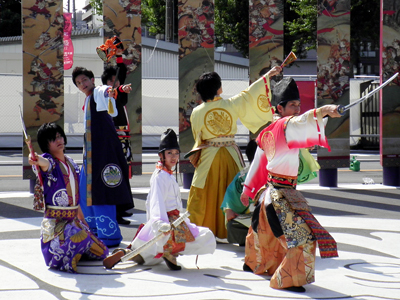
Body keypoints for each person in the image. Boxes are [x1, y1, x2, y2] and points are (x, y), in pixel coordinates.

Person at [241, 77, 340, 293]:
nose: (297, 108)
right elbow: (303, 121)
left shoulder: (267, 131)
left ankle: (253, 262)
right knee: (301, 237)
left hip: (270, 192)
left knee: (261, 232)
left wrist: (247, 189)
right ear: (280, 108)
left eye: (298, 104)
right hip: (278, 196)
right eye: (292, 105)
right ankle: (288, 279)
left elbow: (258, 164)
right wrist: (325, 110)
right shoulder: (287, 124)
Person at [186, 66, 282, 239]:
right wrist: (267, 76)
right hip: (230, 152)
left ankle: (200, 230)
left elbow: (197, 136)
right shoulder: (230, 104)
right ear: (219, 88)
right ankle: (238, 229)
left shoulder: (196, 112)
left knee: (202, 191)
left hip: (208, 156)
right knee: (237, 188)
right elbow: (249, 94)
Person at [103, 129, 216, 270]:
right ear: (161, 155)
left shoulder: (166, 174)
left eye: (176, 153)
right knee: (201, 236)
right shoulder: (159, 176)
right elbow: (155, 202)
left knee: (148, 254)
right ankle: (167, 252)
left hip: (172, 219)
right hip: (166, 222)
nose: (173, 157)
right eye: (169, 153)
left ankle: (130, 252)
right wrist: (160, 225)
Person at [28, 123, 109, 273]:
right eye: (53, 139)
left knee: (102, 250)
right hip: (57, 227)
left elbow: (75, 198)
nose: (58, 140)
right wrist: (34, 158)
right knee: (80, 237)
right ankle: (65, 256)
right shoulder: (50, 162)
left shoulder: (71, 162)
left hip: (73, 221)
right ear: (46, 144)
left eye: (59, 136)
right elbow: (42, 162)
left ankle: (78, 251)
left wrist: (82, 221)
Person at [72, 66, 133, 247]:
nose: (82, 84)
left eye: (84, 80)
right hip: (90, 155)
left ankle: (109, 236)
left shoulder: (98, 92)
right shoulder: (89, 99)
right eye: (78, 83)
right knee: (84, 192)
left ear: (92, 79)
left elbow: (107, 91)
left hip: (103, 154)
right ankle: (92, 232)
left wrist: (119, 89)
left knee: (101, 192)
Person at [101, 46, 135, 225]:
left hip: (123, 141)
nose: (116, 84)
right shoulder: (103, 96)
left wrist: (120, 56)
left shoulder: (120, 95)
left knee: (122, 175)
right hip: (111, 141)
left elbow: (121, 73)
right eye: (112, 81)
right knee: (113, 175)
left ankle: (121, 209)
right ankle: (114, 211)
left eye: (117, 81)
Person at [220, 139, 257, 246]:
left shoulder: (278, 172)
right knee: (233, 226)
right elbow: (231, 199)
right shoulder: (243, 177)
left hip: (274, 218)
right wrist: (229, 210)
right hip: (255, 220)